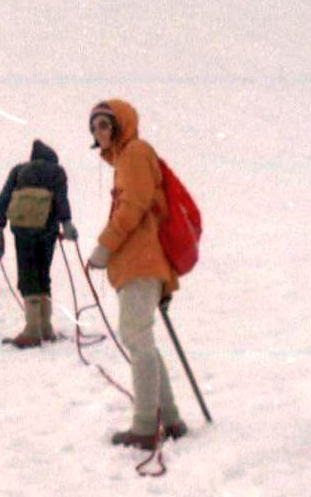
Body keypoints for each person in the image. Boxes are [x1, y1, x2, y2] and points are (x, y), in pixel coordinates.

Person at [84, 99, 187, 449]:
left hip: (140, 263)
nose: (99, 132)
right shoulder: (129, 157)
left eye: (104, 124)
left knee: (137, 339)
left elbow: (134, 207)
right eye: (95, 127)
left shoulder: (134, 153)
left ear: (120, 124)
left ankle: (145, 427)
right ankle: (169, 418)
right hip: (139, 263)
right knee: (141, 339)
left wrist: (103, 248)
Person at [0, 140, 76, 348]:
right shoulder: (57, 172)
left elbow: (4, 199)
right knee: (43, 273)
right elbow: (61, 200)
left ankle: (32, 330)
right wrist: (66, 224)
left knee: (28, 274)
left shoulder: (19, 170)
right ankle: (45, 327)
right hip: (47, 230)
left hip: (22, 229)